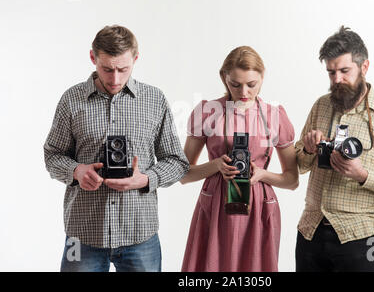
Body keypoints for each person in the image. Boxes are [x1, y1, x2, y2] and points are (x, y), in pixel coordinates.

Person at [43, 25, 189, 272]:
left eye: (123, 69)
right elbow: (52, 155)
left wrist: (145, 179)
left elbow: (177, 162)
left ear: (135, 59)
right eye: (107, 69)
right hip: (83, 234)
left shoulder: (155, 99)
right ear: (93, 58)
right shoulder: (71, 99)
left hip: (140, 234)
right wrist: (77, 171)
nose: (115, 79)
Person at [294, 26, 374, 272]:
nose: (337, 79)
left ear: (364, 67)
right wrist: (306, 149)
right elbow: (299, 165)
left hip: (359, 237)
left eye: (344, 71)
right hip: (310, 231)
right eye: (331, 72)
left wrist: (362, 175)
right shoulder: (321, 106)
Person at [181, 46, 299, 272]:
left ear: (262, 77)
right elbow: (184, 174)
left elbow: (292, 180)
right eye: (235, 84)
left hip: (258, 205)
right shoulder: (208, 112)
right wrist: (216, 165)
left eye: (251, 84)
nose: (243, 91)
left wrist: (263, 174)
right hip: (216, 201)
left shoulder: (275, 116)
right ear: (223, 78)